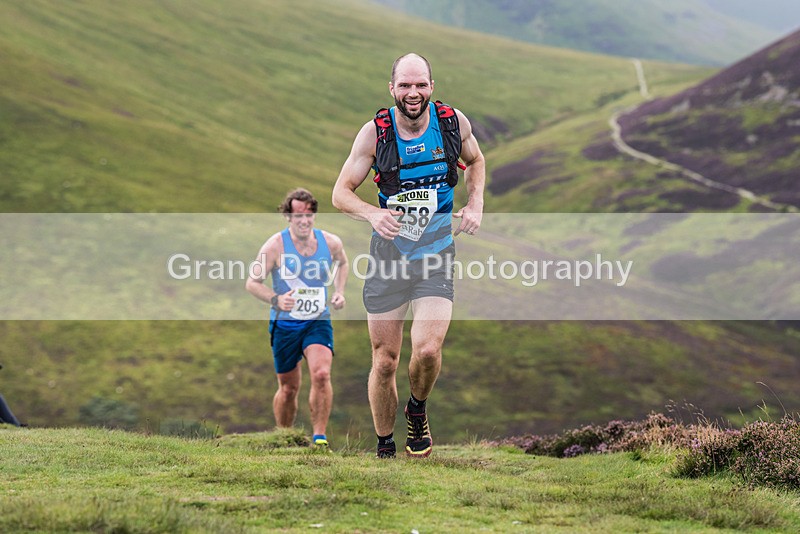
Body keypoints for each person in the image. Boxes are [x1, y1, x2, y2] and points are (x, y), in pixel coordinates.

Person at [332, 53, 485, 458]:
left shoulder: (452, 123)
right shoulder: (375, 134)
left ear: (432, 86)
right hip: (389, 257)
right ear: (392, 89)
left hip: (436, 254)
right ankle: (385, 445)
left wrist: (475, 203)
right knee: (385, 361)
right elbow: (340, 193)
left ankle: (417, 408)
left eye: (420, 85)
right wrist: (372, 214)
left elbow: (475, 160)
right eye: (405, 85)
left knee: (428, 350)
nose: (413, 93)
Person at [246, 188, 348, 450]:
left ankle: (319, 437)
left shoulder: (330, 242)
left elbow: (343, 263)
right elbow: (252, 282)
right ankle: (284, 436)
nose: (304, 221)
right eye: (298, 216)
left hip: (317, 320)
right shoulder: (275, 246)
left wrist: (339, 292)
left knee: (322, 374)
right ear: (288, 217)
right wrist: (276, 299)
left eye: (309, 215)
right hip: (286, 324)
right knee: (289, 388)